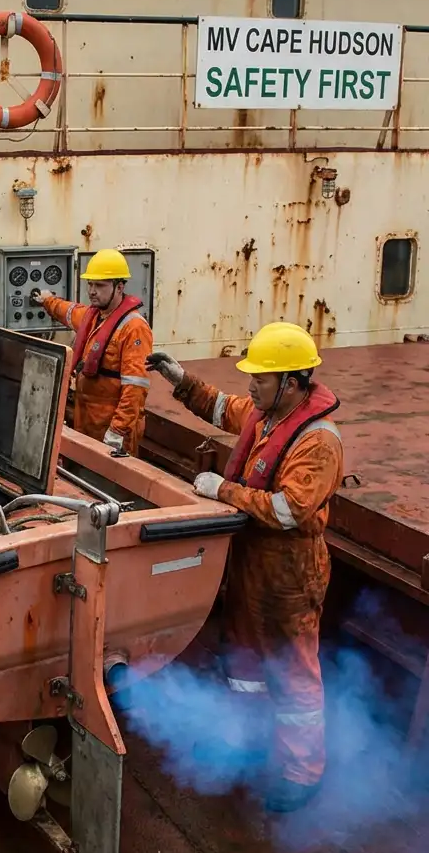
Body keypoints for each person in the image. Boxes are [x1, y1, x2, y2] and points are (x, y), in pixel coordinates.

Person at [146, 321, 343, 813]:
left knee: (293, 676)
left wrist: (223, 490)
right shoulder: (269, 415)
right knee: (244, 666)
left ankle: (302, 772)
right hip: (251, 566)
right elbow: (221, 406)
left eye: (260, 378)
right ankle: (250, 744)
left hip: (289, 577)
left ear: (292, 384)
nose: (250, 385)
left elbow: (287, 510)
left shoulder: (318, 443)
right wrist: (180, 379)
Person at [36, 248, 153, 455]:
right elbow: (68, 311)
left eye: (99, 285)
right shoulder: (93, 317)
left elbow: (135, 388)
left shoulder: (134, 328)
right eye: (90, 284)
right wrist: (47, 300)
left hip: (111, 426)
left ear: (119, 287)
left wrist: (117, 430)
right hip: (86, 418)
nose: (92, 291)